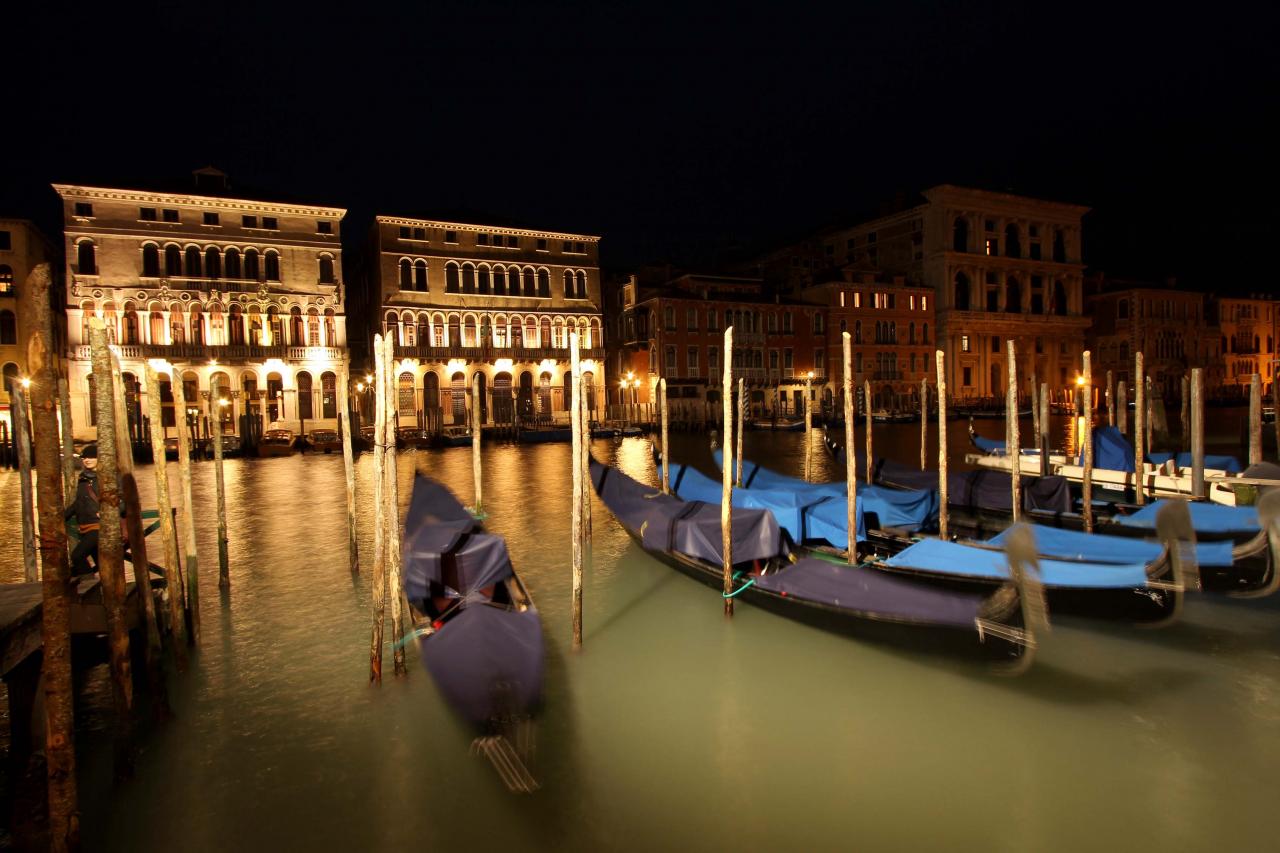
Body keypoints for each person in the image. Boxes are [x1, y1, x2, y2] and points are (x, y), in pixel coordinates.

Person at [65, 444, 105, 575]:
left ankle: (89, 586)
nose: (87, 460)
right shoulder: (83, 478)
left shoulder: (107, 476)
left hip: (99, 526)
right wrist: (63, 516)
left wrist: (105, 513)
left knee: (77, 556)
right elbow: (79, 503)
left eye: (91, 457)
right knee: (102, 564)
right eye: (84, 458)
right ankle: (101, 590)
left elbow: (121, 499)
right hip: (84, 526)